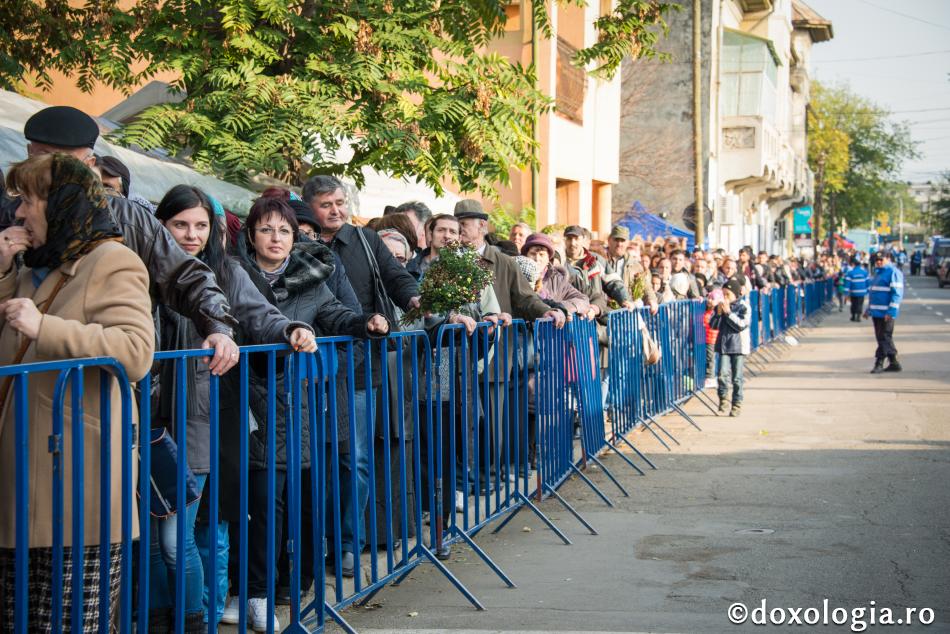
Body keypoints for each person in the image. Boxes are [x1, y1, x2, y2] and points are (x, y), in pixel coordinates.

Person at [151, 185, 318, 629]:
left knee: (188, 532)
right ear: (160, 225)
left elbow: (260, 313)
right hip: (146, 415)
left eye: (201, 225)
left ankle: (197, 618)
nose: (191, 235)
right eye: (180, 224)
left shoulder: (226, 272)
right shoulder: (141, 267)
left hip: (203, 417)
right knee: (163, 534)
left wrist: (291, 330)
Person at [0, 153, 154, 631]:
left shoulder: (113, 260)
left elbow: (135, 350)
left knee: (69, 621)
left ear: (61, 202)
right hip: (25, 472)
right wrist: (3, 269)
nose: (20, 214)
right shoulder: (33, 265)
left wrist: (44, 325)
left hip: (78, 480)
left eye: (28, 201)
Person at [236, 196, 389, 627]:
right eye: (266, 229)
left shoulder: (311, 278)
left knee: (299, 499)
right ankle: (256, 592)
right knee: (262, 502)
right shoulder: (235, 276)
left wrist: (367, 323)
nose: (276, 238)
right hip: (250, 399)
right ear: (251, 235)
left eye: (284, 230)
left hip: (299, 405)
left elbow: (337, 315)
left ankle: (293, 585)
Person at [0, 105, 241, 377]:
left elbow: (184, 276)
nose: (48, 169)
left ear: (89, 165)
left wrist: (218, 328)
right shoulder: (15, 216)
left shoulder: (128, 220)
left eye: (60, 161)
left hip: (91, 394)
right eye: (40, 156)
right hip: (19, 392)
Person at [302, 175, 418, 575]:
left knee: (356, 458)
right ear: (309, 208)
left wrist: (414, 297)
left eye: (339, 202)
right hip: (308, 368)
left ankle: (349, 542)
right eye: (325, 204)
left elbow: (397, 277)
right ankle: (309, 543)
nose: (335, 210)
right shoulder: (300, 243)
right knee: (310, 460)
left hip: (358, 366)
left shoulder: (367, 241)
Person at [521, 232, 591, 317]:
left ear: (548, 259)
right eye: (532, 254)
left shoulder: (557, 279)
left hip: (551, 329)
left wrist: (560, 309)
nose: (537, 259)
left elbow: (582, 300)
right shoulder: (517, 277)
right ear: (525, 256)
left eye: (542, 254)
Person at [710, 278, 749, 417]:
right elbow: (713, 325)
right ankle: (723, 400)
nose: (725, 298)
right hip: (723, 346)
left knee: (737, 377)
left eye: (728, 295)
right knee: (722, 374)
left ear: (735, 294)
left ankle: (737, 403)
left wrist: (728, 313)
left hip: (738, 346)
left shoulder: (743, 306)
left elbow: (741, 325)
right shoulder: (720, 307)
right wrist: (719, 313)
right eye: (724, 294)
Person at [865, 251, 904, 373]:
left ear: (888, 258)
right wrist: (868, 309)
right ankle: (894, 362)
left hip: (886, 313)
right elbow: (874, 294)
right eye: (876, 260)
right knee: (881, 337)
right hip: (876, 313)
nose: (878, 262)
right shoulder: (878, 273)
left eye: (881, 259)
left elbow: (896, 294)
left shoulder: (893, 272)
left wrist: (891, 312)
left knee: (884, 337)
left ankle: (879, 363)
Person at [604, 226, 658, 312]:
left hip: (627, 311)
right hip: (604, 312)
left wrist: (651, 300)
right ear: (609, 240)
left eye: (622, 241)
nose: (619, 244)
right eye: (616, 240)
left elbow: (646, 286)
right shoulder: (601, 261)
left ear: (628, 243)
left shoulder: (635, 265)